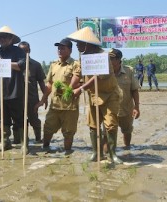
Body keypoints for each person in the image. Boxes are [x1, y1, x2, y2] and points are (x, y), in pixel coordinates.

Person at [67, 27, 122, 164]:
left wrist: (81, 88)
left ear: (87, 43)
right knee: (93, 125)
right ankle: (96, 153)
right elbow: (77, 74)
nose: (77, 45)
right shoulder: (83, 57)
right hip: (93, 95)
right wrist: (70, 88)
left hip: (109, 95)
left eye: (79, 42)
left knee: (110, 125)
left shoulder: (103, 56)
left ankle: (112, 154)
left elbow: (99, 77)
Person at [35, 38, 81, 154]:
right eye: (58, 48)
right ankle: (45, 149)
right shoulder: (54, 65)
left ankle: (67, 153)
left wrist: (74, 90)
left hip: (70, 107)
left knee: (68, 132)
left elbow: (80, 83)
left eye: (63, 48)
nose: (60, 50)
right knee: (48, 129)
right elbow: (49, 84)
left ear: (70, 50)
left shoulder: (76, 65)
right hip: (55, 105)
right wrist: (43, 99)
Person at [107, 48, 140, 148]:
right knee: (108, 131)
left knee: (127, 131)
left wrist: (136, 107)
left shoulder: (128, 71)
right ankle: (109, 153)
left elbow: (134, 90)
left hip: (126, 109)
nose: (108, 61)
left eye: (111, 58)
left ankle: (127, 149)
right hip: (109, 110)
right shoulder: (104, 71)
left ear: (118, 60)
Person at [18, 41, 47, 143]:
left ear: (29, 51)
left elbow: (41, 83)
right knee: (20, 121)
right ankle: (22, 141)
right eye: (21, 51)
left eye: (26, 51)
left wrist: (45, 98)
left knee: (34, 120)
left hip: (32, 99)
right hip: (17, 99)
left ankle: (38, 139)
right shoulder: (14, 66)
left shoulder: (36, 65)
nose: (23, 53)